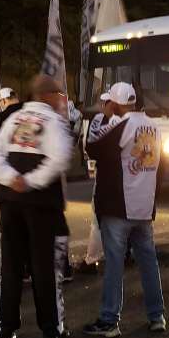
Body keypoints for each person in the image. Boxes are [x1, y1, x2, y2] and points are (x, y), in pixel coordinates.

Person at [0, 74, 74, 338]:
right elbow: (60, 159)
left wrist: (11, 178)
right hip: (41, 206)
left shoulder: (15, 119)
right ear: (47, 96)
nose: (61, 99)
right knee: (44, 268)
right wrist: (30, 181)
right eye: (57, 94)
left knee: (10, 268)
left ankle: (5, 330)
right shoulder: (54, 123)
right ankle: (51, 328)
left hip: (10, 203)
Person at [82, 82, 166, 338]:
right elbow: (162, 168)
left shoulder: (120, 125)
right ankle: (157, 316)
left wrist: (103, 117)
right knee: (148, 263)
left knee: (114, 265)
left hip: (119, 206)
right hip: (144, 207)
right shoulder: (154, 126)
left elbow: (92, 147)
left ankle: (109, 320)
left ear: (115, 104)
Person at [76, 92, 115, 274]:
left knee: (99, 220)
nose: (100, 106)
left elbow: (92, 147)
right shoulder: (106, 120)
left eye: (103, 103)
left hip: (108, 177)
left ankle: (92, 259)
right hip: (115, 177)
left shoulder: (106, 121)